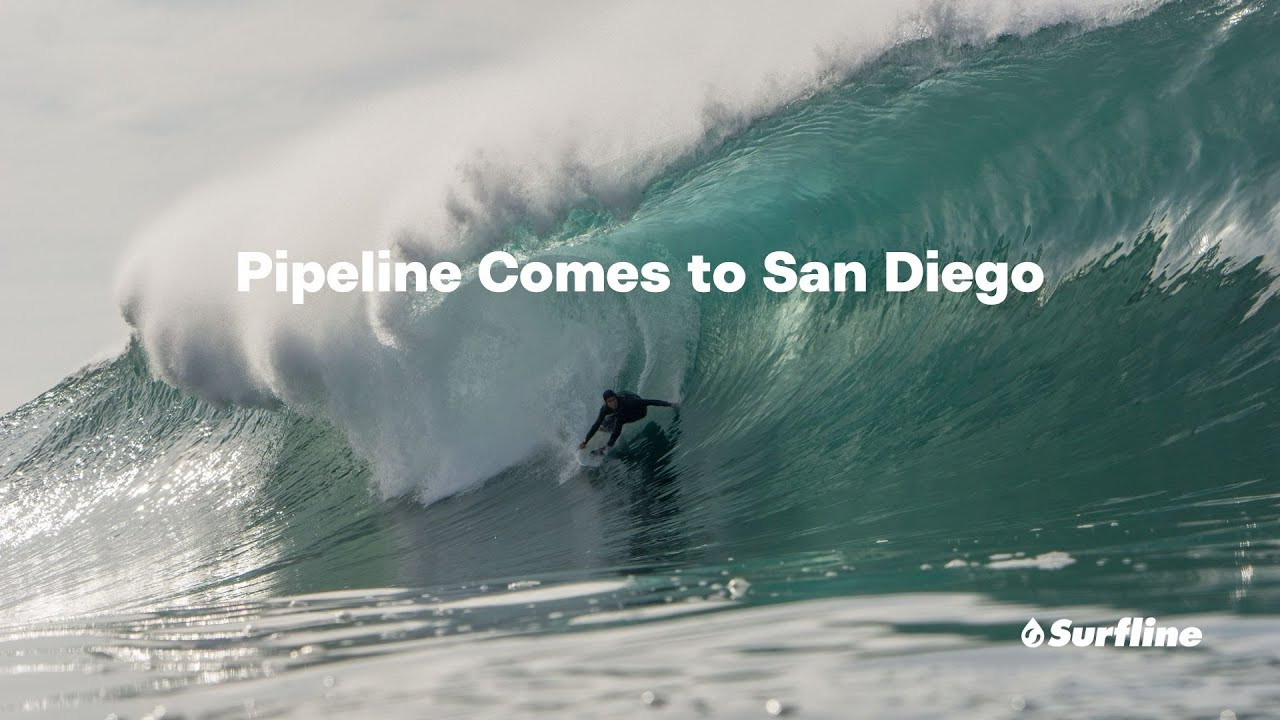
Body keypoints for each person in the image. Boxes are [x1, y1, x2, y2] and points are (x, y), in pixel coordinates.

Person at [580, 389, 679, 454]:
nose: (612, 403)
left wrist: (670, 404)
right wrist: (585, 441)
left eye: (613, 400)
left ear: (616, 398)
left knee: (619, 420)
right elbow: (596, 424)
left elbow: (649, 402)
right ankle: (605, 431)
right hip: (623, 408)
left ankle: (607, 448)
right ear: (606, 402)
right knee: (604, 423)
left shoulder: (628, 402)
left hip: (639, 412)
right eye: (609, 401)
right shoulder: (605, 409)